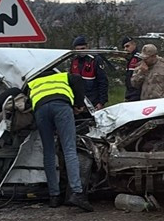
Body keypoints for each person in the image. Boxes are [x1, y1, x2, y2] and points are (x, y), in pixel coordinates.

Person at [27, 68, 93, 211]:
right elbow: (77, 79)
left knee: (49, 152)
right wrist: (78, 104)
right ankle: (77, 193)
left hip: (41, 110)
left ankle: (54, 196)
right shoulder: (62, 76)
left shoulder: (33, 82)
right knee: (69, 149)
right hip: (61, 107)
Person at [69, 36, 107, 109]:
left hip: (94, 101)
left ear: (87, 47)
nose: (81, 51)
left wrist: (102, 102)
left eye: (83, 48)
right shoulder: (74, 61)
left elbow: (103, 81)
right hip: (78, 102)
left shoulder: (95, 60)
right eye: (78, 49)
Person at [120, 36, 142, 102]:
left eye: (127, 46)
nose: (125, 49)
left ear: (134, 44)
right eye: (124, 47)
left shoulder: (139, 58)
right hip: (130, 93)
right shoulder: (130, 59)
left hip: (137, 94)